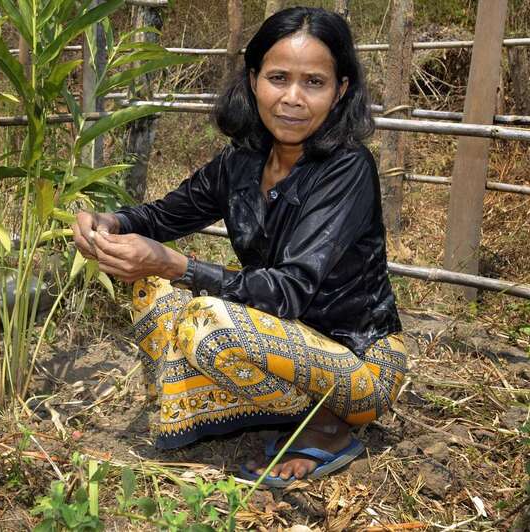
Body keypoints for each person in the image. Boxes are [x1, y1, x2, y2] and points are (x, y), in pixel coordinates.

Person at [72, 7, 406, 487]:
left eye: (314, 82)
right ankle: (225, 407)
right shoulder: (243, 161)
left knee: (208, 322)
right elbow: (166, 215)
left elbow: (290, 291)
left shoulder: (347, 170)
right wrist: (111, 222)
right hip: (279, 340)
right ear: (253, 80)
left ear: (341, 91)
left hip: (360, 362)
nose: (292, 98)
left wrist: (177, 264)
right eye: (278, 78)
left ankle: (331, 427)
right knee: (149, 285)